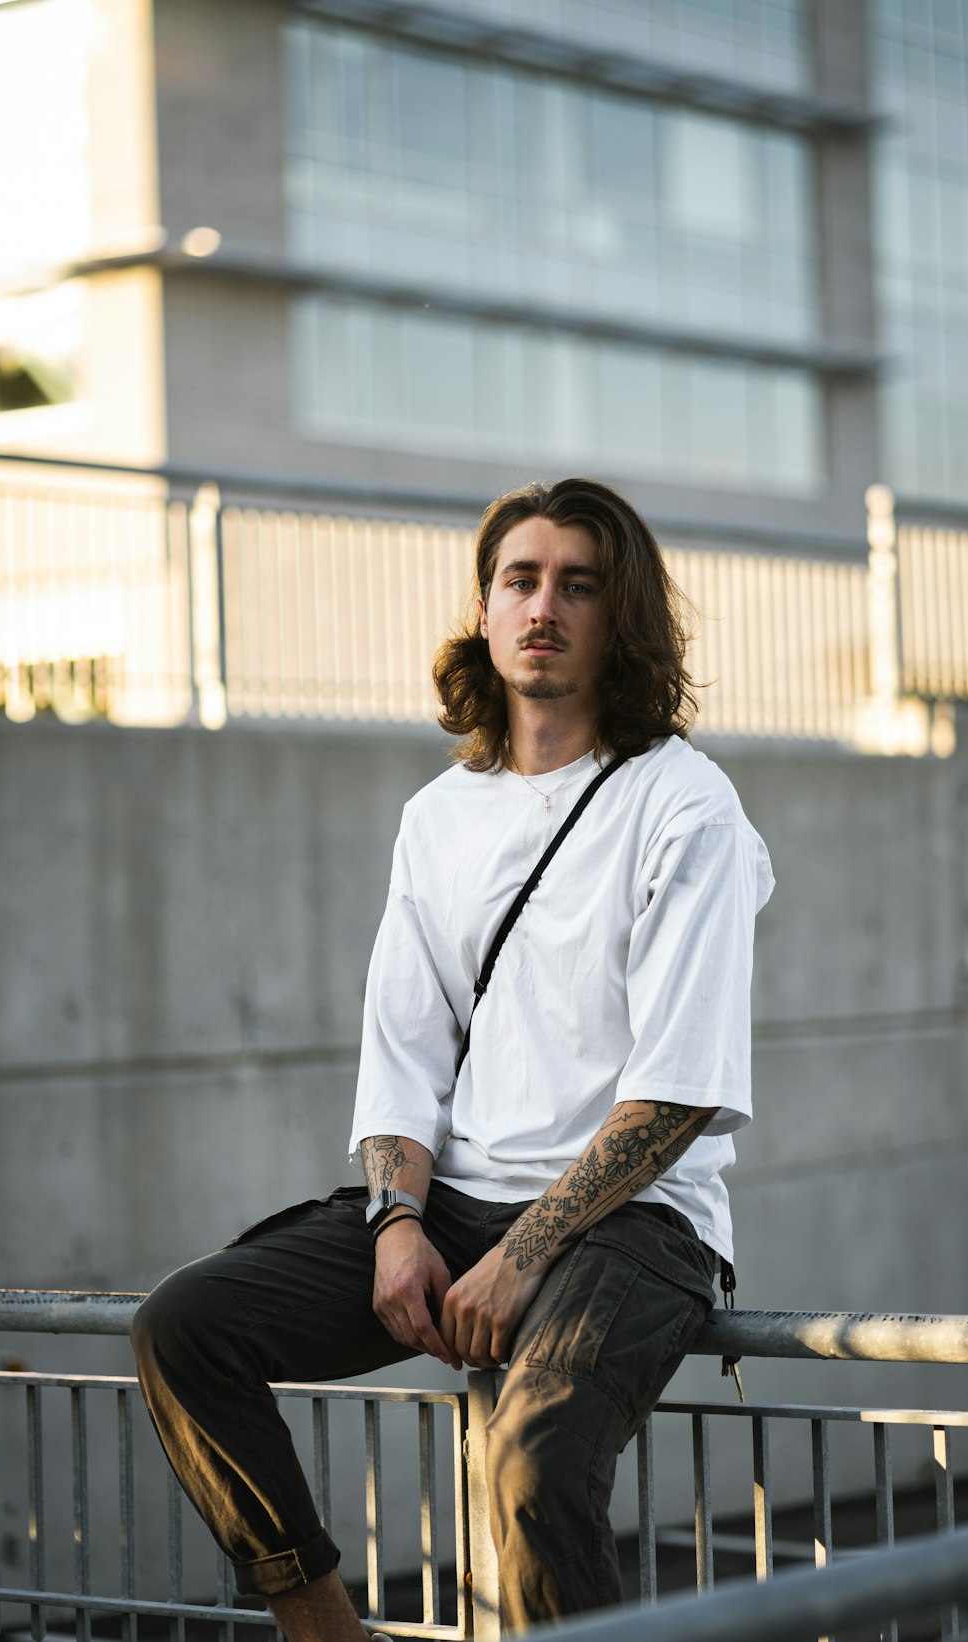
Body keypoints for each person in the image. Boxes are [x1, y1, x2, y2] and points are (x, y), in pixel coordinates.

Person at [131, 476, 774, 1641]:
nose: (545, 605)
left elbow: (677, 1089)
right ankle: (325, 1628)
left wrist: (526, 1252)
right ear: (484, 609)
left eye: (579, 585)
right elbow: (403, 1056)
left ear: (620, 620)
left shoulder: (687, 803)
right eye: (520, 580)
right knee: (185, 1324)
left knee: (532, 1455)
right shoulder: (439, 815)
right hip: (457, 1206)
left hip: (635, 1223)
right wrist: (397, 1223)